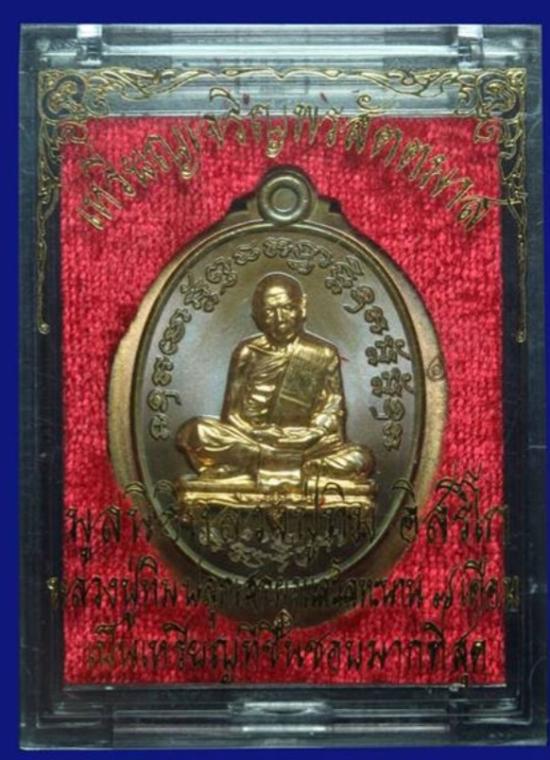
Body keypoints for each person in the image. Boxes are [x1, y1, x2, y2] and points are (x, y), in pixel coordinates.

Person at [177, 272, 374, 488]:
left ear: (302, 307)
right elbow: (231, 415)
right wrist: (256, 433)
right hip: (254, 441)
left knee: (361, 458)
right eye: (270, 311)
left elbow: (333, 413)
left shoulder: (323, 354)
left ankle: (255, 466)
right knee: (196, 433)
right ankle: (291, 466)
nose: (280, 319)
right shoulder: (247, 352)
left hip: (305, 445)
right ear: (257, 316)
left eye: (287, 308)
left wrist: (312, 434)